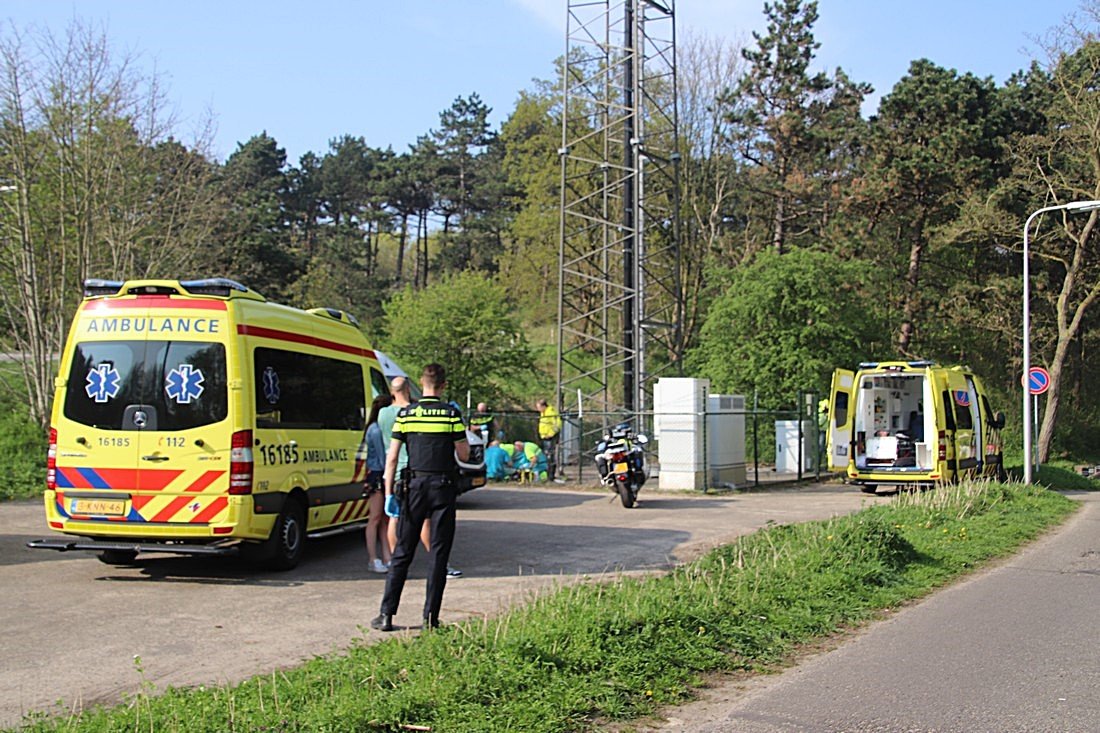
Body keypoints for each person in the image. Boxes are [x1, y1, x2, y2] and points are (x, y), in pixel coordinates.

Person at [372, 363, 469, 632]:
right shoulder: (451, 415)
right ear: (443, 385)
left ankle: (386, 615)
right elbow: (463, 454)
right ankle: (430, 618)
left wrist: (389, 492)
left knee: (403, 551)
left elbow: (392, 458)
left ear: (421, 382)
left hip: (413, 487)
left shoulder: (406, 414)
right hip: (443, 487)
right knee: (438, 553)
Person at [380, 376, 462, 578]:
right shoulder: (411, 411)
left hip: (394, 471)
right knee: (425, 520)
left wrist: (388, 490)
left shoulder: (383, 414)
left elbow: (389, 451)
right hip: (417, 470)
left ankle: (394, 562)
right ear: (408, 389)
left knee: (394, 518)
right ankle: (437, 563)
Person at [364, 394, 393, 573]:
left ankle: (386, 556)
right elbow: (382, 458)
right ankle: (373, 558)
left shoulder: (377, 428)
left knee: (384, 518)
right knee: (375, 518)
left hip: (380, 473)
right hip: (377, 474)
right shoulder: (376, 430)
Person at [536, 398, 563, 482]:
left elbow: (557, 425)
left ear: (544, 406)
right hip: (544, 437)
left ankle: (551, 475)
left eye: (539, 407)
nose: (538, 409)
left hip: (550, 438)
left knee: (550, 456)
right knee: (546, 456)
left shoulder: (550, 412)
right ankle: (547, 474)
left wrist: (550, 434)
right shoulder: (543, 413)